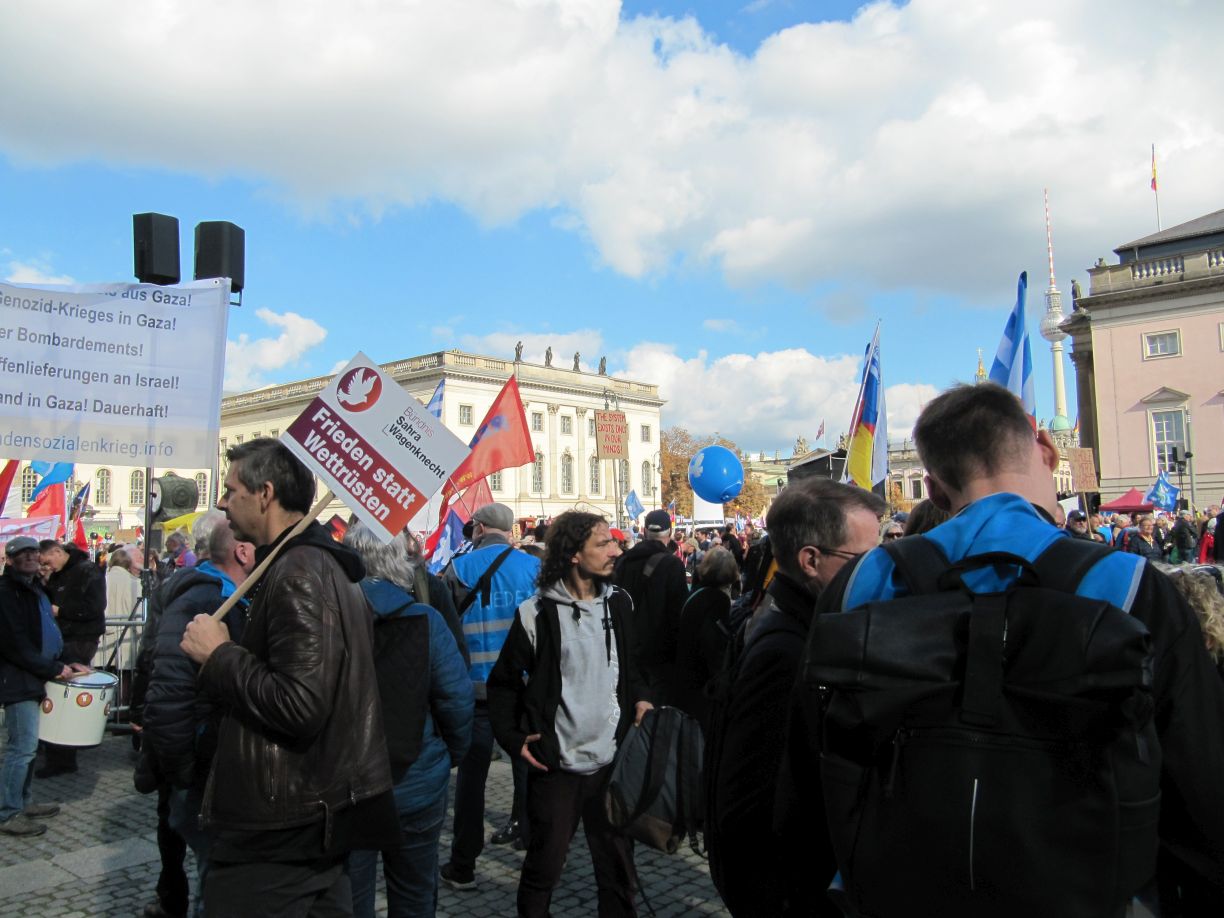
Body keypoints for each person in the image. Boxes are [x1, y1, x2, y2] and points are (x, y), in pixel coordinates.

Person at [785, 383, 1224, 914]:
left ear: (934, 490)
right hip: (1086, 890)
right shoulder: (1131, 587)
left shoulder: (862, 583)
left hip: (898, 888)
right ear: (1047, 449)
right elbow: (1202, 789)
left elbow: (809, 768)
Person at [180, 438, 398, 917]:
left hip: (282, 825)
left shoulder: (301, 570)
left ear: (265, 494)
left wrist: (218, 656)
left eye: (231, 489)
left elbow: (300, 704)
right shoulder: (302, 563)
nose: (222, 502)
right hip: (306, 813)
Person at [710, 479, 884, 917]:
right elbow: (748, 807)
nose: (878, 571)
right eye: (865, 559)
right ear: (810, 560)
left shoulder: (798, 623)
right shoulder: (785, 651)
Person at [488, 511, 653, 918]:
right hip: (557, 767)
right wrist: (513, 738)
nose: (615, 550)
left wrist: (642, 698)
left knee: (618, 871)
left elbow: (634, 667)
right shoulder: (536, 614)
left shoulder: (620, 603)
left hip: (612, 763)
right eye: (603, 543)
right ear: (574, 554)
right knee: (543, 869)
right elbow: (503, 684)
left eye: (613, 542)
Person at [344, 523, 473, 918]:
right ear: (400, 560)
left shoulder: (329, 615)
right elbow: (456, 699)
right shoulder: (425, 619)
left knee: (350, 897)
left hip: (350, 786)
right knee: (414, 895)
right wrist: (446, 755)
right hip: (415, 777)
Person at [143, 515, 256, 918]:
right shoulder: (202, 600)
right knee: (218, 878)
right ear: (242, 552)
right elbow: (169, 697)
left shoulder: (229, 595)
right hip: (200, 767)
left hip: (211, 763)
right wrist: (185, 770)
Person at [439, 502, 541, 886]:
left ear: (479, 529)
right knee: (527, 770)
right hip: (521, 686)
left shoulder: (459, 568)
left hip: (476, 687)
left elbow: (445, 630)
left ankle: (463, 864)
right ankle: (535, 854)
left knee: (471, 779)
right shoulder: (533, 568)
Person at [0, 537, 85, 837]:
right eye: (21, 554)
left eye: (33, 552)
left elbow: (49, 631)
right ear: (9, 560)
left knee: (30, 746)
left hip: (36, 675)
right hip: (18, 678)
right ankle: (8, 812)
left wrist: (68, 660)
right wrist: (53, 667)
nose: (30, 557)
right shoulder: (7, 591)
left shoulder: (34, 587)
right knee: (21, 748)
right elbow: (15, 644)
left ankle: (23, 802)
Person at [37, 538, 107, 778]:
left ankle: (63, 756)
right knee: (57, 694)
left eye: (47, 561)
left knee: (65, 695)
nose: (47, 566)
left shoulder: (87, 572)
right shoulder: (58, 575)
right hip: (62, 637)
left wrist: (63, 611)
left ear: (58, 552)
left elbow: (95, 607)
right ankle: (56, 749)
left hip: (79, 639)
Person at [612, 508, 689, 705]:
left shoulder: (623, 561)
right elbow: (678, 614)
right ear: (670, 533)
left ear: (645, 532)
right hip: (658, 655)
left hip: (625, 647)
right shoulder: (672, 565)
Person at [674, 546, 738, 729]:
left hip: (684, 674)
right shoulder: (718, 600)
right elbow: (713, 645)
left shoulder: (696, 594)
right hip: (702, 683)